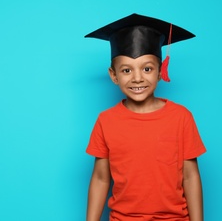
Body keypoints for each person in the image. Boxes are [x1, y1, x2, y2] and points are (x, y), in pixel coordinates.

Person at [85, 13, 206, 221]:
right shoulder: (106, 121)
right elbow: (100, 178)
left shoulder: (181, 118)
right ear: (114, 75)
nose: (137, 78)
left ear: (160, 71)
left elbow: (190, 176)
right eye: (126, 70)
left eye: (147, 68)